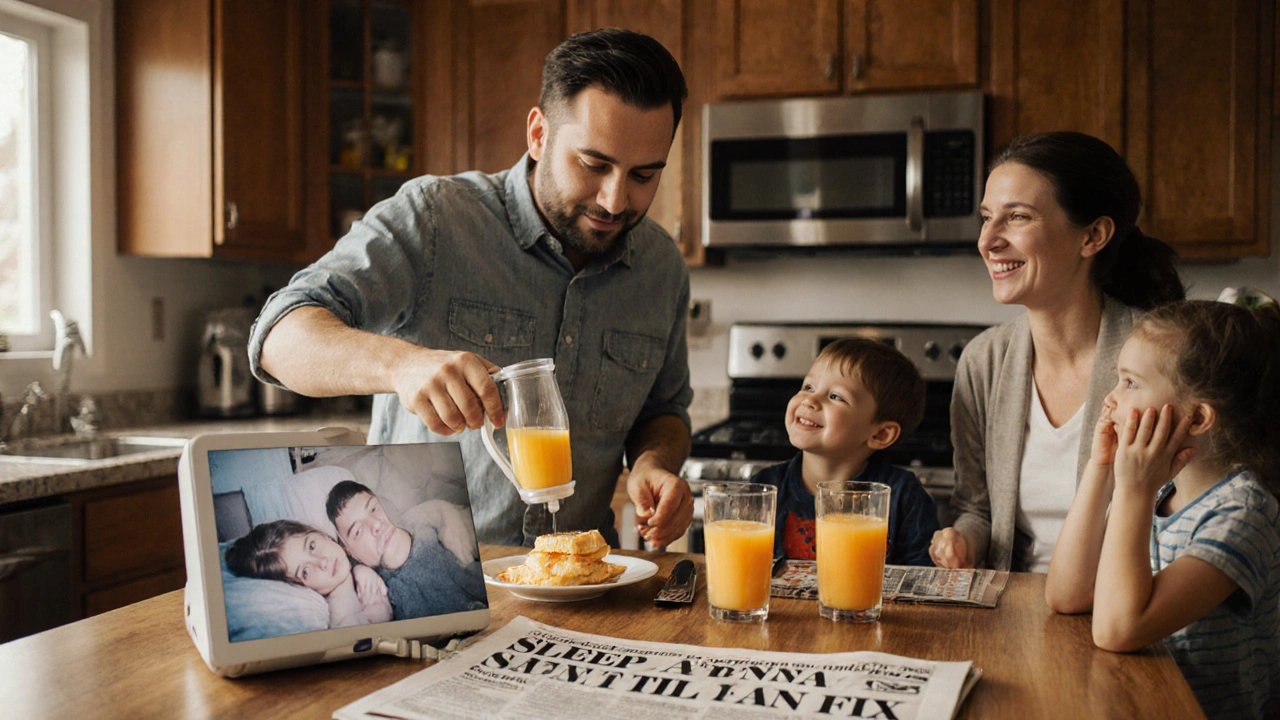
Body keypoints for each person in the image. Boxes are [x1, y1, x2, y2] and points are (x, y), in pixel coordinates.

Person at [249, 28, 693, 549]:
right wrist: (402, 365)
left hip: (583, 587)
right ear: (538, 134)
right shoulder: (435, 219)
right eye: (594, 165)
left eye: (644, 174)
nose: (616, 200)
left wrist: (653, 463)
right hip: (436, 582)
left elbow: (664, 410)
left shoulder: (661, 268)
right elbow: (279, 335)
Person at [929, 131, 1185, 572]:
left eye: (1019, 217)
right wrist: (961, 541)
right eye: (987, 217)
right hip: (1011, 615)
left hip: (1125, 615)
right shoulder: (983, 361)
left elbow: (1185, 515)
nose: (988, 240)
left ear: (1093, 236)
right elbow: (977, 509)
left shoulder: (1164, 359)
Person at [1044, 299, 1280, 720]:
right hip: (1137, 700)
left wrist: (1132, 489)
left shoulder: (1245, 513)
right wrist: (1101, 470)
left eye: (1130, 383)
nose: (1110, 399)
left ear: (1198, 418)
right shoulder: (1159, 490)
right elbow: (1067, 594)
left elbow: (1119, 629)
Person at [749, 338, 939, 565]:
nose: (810, 400)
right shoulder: (765, 488)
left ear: (880, 434)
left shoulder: (904, 497)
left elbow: (924, 579)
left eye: (835, 397)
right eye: (808, 387)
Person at [326, 480, 487, 621]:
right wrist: (357, 571)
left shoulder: (440, 525)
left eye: (374, 509)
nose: (376, 525)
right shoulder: (376, 597)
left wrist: (445, 511)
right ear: (353, 554)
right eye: (358, 531)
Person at [225, 519, 393, 629]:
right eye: (305, 571)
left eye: (312, 546)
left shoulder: (358, 560)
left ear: (320, 534)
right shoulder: (345, 621)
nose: (322, 562)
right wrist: (381, 618)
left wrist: (361, 569)